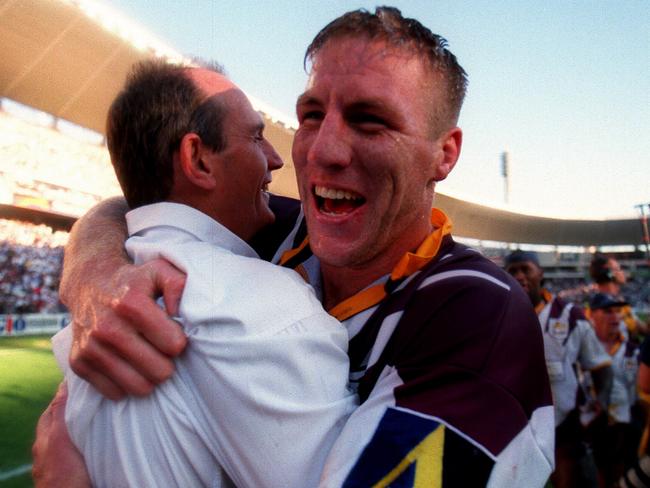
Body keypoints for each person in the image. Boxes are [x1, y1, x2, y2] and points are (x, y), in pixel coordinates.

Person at [34, 7, 554, 487]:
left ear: (445, 154)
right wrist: (94, 272)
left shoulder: (478, 316)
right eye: (310, 115)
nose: (318, 150)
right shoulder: (279, 230)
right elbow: (136, 205)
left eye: (369, 119)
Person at [49, 60, 356, 487]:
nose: (275, 159)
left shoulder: (92, 319)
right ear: (198, 160)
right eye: (255, 136)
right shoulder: (266, 307)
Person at [504, 249, 612, 488]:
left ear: (540, 273)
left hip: (564, 426)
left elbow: (601, 364)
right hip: (517, 429)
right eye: (513, 271)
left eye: (526, 269)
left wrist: (601, 404)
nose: (520, 275)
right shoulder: (497, 316)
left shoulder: (569, 315)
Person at [590, 293, 641, 487]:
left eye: (618, 311)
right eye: (608, 311)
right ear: (593, 314)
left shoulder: (632, 350)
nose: (615, 317)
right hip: (589, 430)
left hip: (624, 429)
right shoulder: (581, 347)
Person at [589, 253, 649, 340]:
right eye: (619, 269)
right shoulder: (605, 307)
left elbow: (644, 330)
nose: (623, 272)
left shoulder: (618, 302)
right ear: (610, 273)